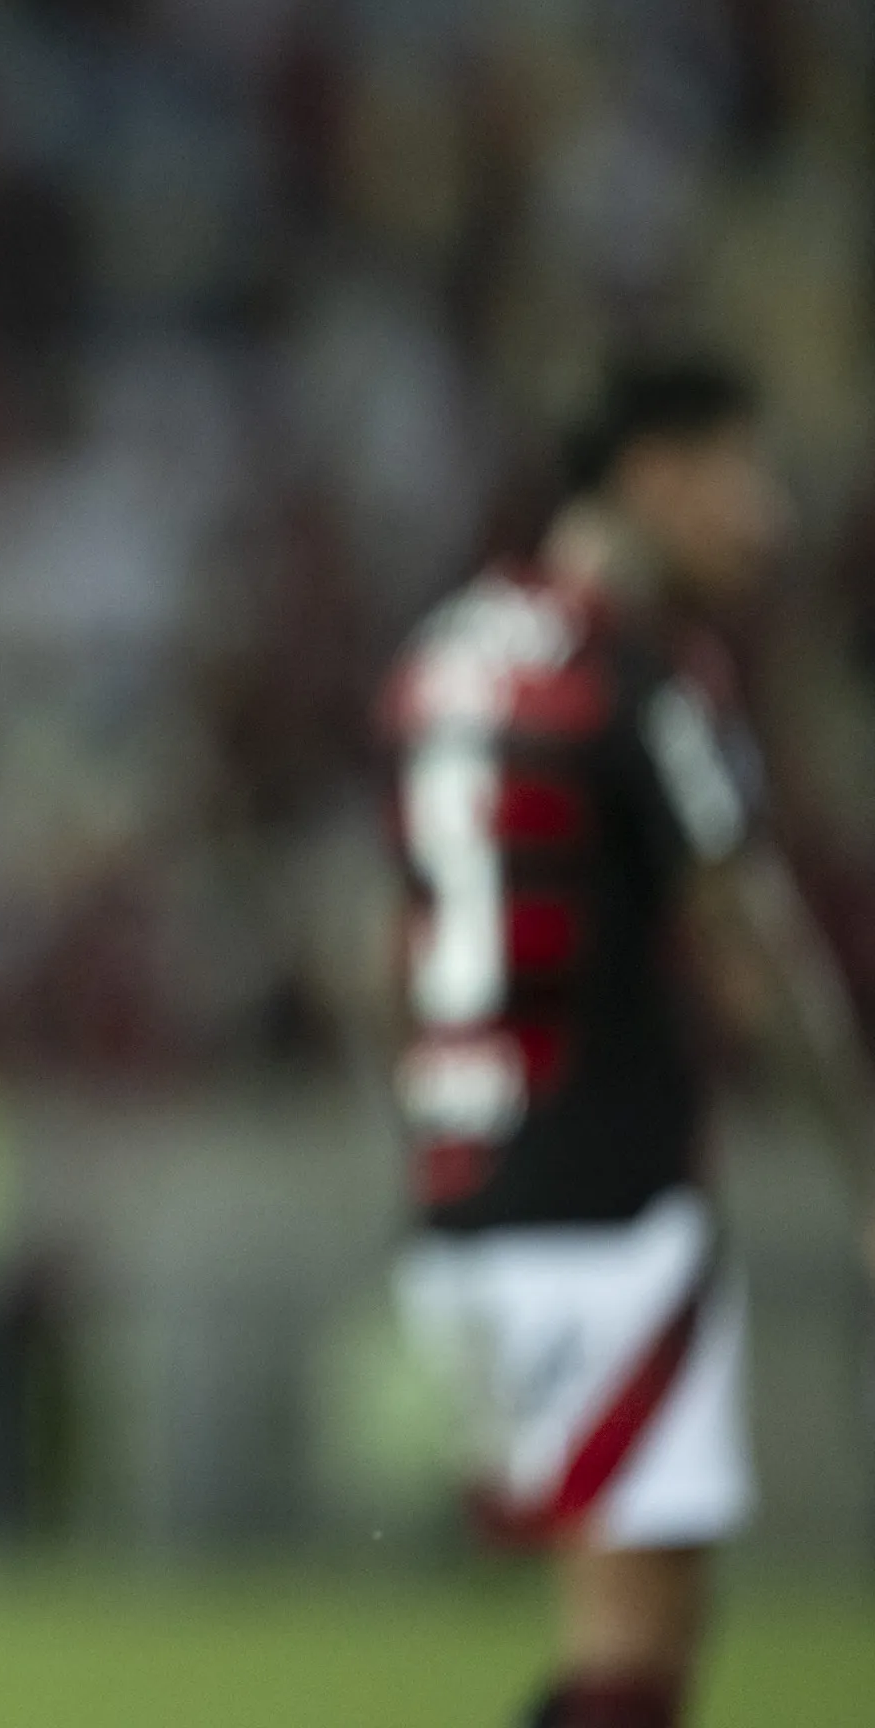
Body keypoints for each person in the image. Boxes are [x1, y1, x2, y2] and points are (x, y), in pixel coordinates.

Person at [380, 359, 875, 1728]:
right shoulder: (641, 674)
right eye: (743, 478)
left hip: (464, 1186)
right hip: (603, 1192)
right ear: (653, 474)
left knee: (625, 1635)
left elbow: (402, 945)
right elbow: (751, 946)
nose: (768, 519)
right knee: (637, 1642)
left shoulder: (446, 654)